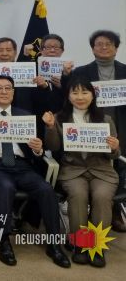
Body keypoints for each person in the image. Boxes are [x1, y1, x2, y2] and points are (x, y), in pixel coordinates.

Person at [0, 74, 70, 268]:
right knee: (6, 186)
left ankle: (54, 244)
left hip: (22, 166)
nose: (4, 92)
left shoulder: (24, 115)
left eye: (8, 88)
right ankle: (3, 241)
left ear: (13, 92)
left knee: (46, 189)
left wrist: (38, 149)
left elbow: (36, 149)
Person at [43, 76, 119, 267]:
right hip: (73, 170)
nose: (80, 97)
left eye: (84, 92)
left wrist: (114, 147)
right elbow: (53, 146)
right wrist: (50, 127)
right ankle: (80, 245)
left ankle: (97, 246)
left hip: (102, 170)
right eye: (75, 92)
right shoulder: (59, 118)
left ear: (92, 95)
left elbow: (114, 155)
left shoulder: (105, 119)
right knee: (78, 195)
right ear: (68, 96)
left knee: (102, 196)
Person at [66, 29, 126, 232]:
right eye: (99, 44)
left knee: (117, 166)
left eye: (109, 44)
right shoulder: (81, 72)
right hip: (89, 125)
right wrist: (65, 76)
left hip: (120, 123)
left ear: (116, 48)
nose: (104, 47)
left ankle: (114, 211)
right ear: (92, 49)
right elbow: (70, 94)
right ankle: (88, 226)